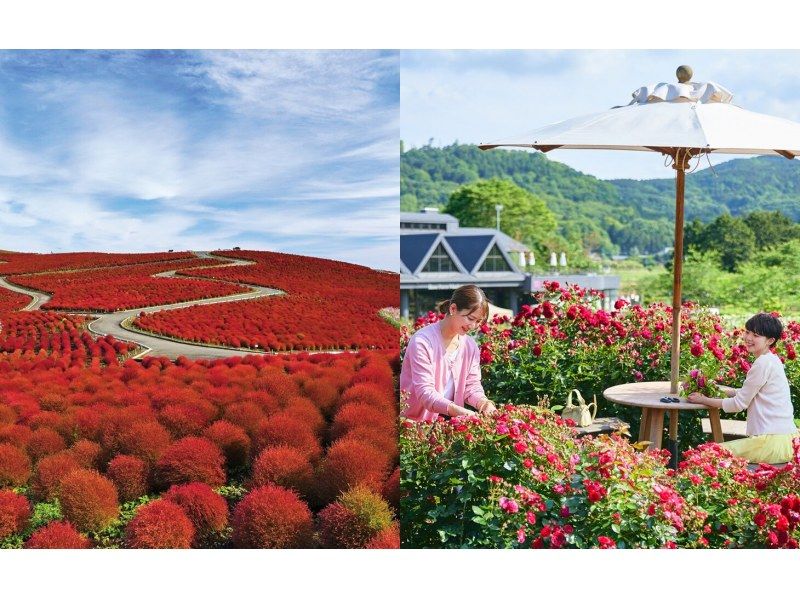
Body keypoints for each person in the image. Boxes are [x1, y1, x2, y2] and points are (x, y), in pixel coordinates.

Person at [687, 313, 799, 464]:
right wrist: (723, 389)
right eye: (747, 332)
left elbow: (738, 405)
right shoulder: (772, 360)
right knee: (712, 455)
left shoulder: (762, 363)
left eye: (756, 335)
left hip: (769, 444)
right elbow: (755, 393)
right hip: (786, 441)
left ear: (770, 340)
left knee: (706, 455)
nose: (748, 338)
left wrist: (704, 400)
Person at [400, 284, 497, 422]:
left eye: (478, 321)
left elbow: (472, 386)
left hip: (449, 425)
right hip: (415, 426)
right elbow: (425, 392)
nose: (473, 326)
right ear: (453, 309)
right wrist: (458, 411)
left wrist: (484, 403)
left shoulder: (470, 346)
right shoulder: (422, 342)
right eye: (470, 318)